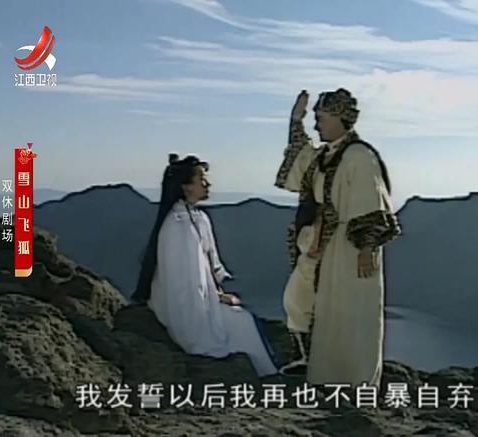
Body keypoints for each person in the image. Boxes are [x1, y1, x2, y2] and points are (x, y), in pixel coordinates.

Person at [275, 89, 401, 386]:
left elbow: (371, 202)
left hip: (348, 246)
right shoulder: (326, 155)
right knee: (299, 299)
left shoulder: (360, 157)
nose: (316, 125)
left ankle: (350, 379)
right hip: (320, 243)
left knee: (347, 310)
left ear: (339, 118)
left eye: (321, 118)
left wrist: (367, 246)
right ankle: (312, 362)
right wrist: (296, 121)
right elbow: (301, 160)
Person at [132, 154, 279, 377]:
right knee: (235, 327)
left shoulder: (197, 218)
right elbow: (183, 283)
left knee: (242, 321)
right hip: (185, 307)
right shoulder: (177, 225)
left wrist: (216, 294)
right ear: (186, 187)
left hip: (202, 300)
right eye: (201, 179)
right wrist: (212, 301)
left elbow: (205, 269)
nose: (208, 183)